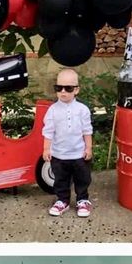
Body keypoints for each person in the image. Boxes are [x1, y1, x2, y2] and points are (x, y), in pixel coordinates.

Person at [42, 69, 93, 217]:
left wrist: (88, 148)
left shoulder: (82, 110)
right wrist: (46, 149)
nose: (63, 92)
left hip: (79, 154)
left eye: (68, 88)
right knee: (60, 179)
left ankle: (82, 200)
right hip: (59, 154)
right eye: (59, 88)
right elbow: (48, 131)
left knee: (82, 179)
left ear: (76, 90)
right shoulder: (52, 110)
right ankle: (62, 200)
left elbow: (87, 131)